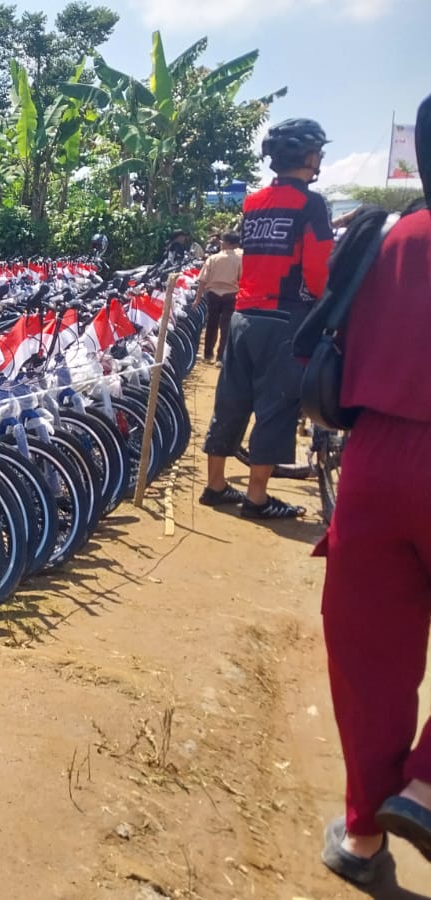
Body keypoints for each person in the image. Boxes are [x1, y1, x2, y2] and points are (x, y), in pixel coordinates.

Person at [316, 93, 431, 887]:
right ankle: (424, 784)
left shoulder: (384, 236)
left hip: (375, 460)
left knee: (368, 657)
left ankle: (363, 833)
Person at [199, 117, 332, 519]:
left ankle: (216, 485)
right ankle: (256, 498)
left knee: (231, 399)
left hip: (244, 315)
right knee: (276, 407)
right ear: (308, 156)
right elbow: (319, 268)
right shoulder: (312, 204)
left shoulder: (253, 202)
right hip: (285, 317)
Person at [194, 233, 243, 363]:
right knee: (226, 326)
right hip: (231, 295)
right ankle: (220, 357)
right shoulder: (239, 260)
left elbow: (203, 281)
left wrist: (197, 299)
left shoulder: (213, 258)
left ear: (225, 243)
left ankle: (208, 355)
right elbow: (242, 279)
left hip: (213, 294)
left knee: (211, 324)